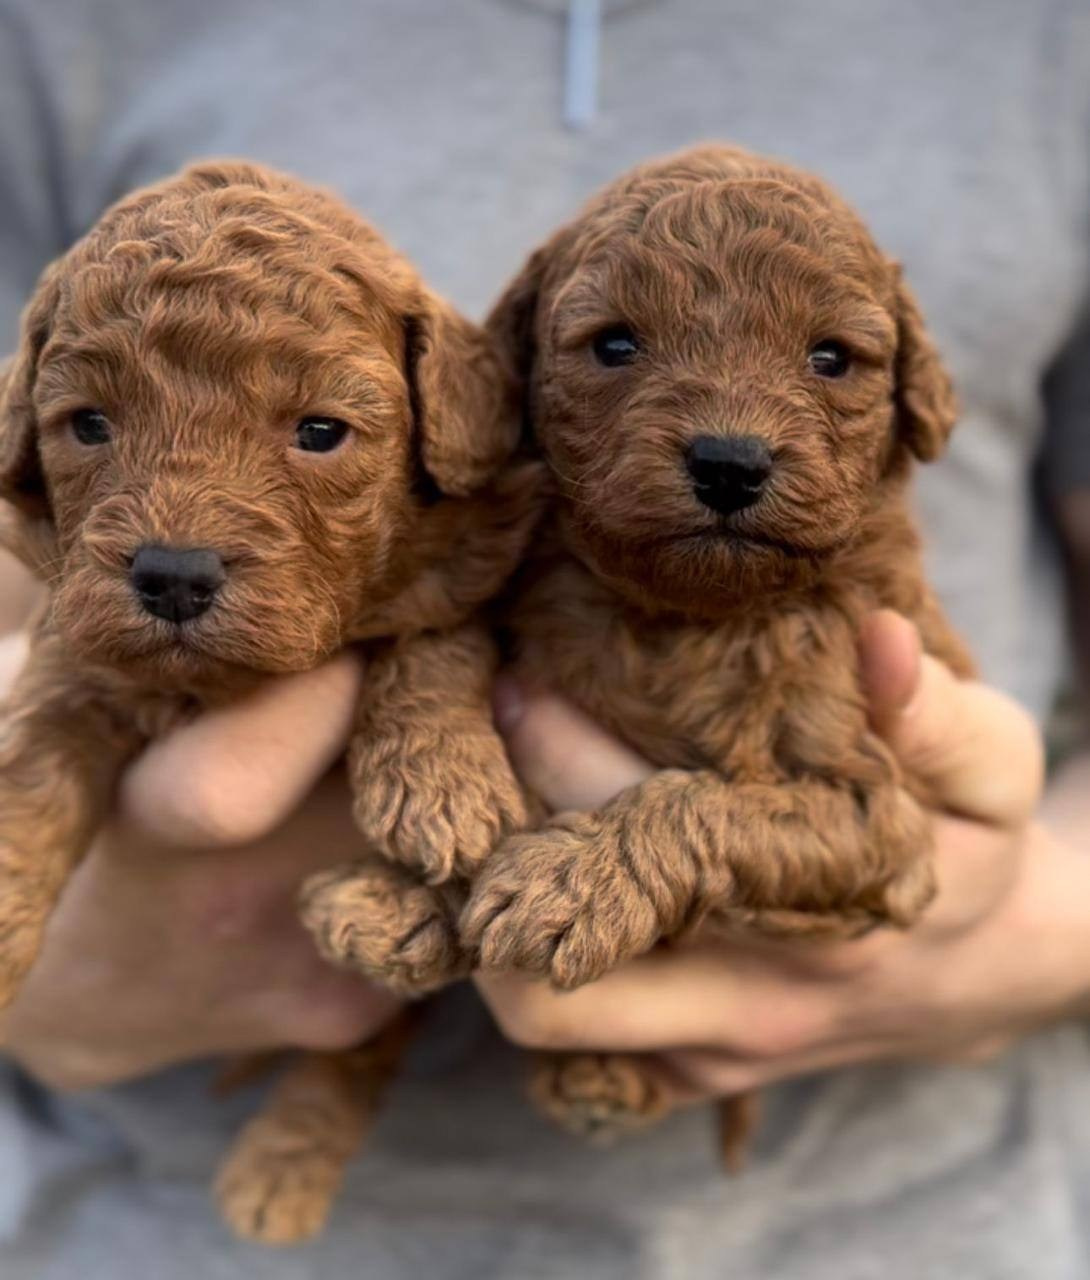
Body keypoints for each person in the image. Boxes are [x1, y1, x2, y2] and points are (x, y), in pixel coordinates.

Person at [0, 1, 1088, 1275]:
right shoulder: (60, 29)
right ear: (510, 371)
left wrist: (1048, 919)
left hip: (927, 1222)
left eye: (835, 359)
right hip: (136, 1222)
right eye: (613, 347)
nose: (729, 430)